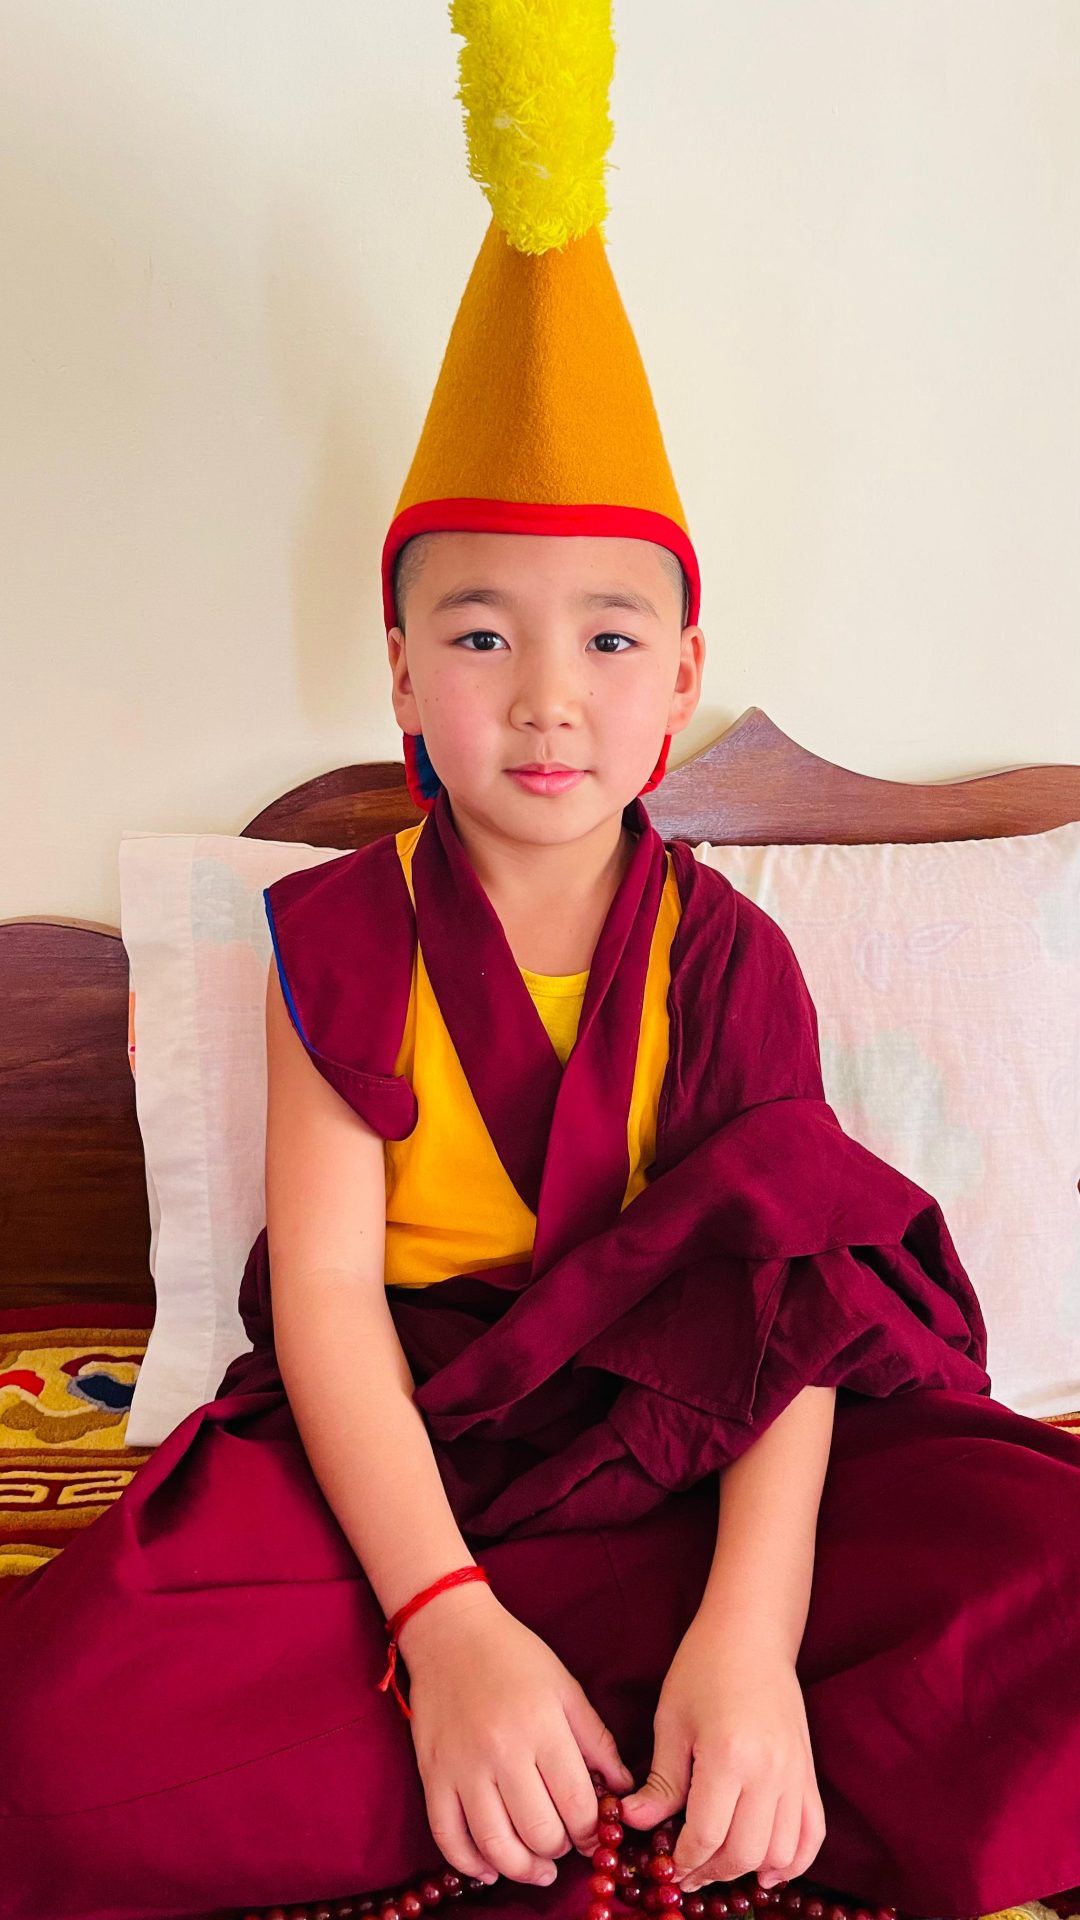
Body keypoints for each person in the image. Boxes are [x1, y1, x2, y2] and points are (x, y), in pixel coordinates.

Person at [5, 8, 1080, 1920]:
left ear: (679, 678)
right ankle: (542, 1727)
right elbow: (327, 1306)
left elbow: (794, 1314)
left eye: (607, 635)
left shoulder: (734, 960)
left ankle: (700, 1722)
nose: (547, 696)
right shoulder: (340, 936)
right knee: (48, 1751)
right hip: (409, 1462)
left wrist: (753, 1641)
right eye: (481, 634)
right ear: (402, 670)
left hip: (694, 1458)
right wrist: (445, 1621)